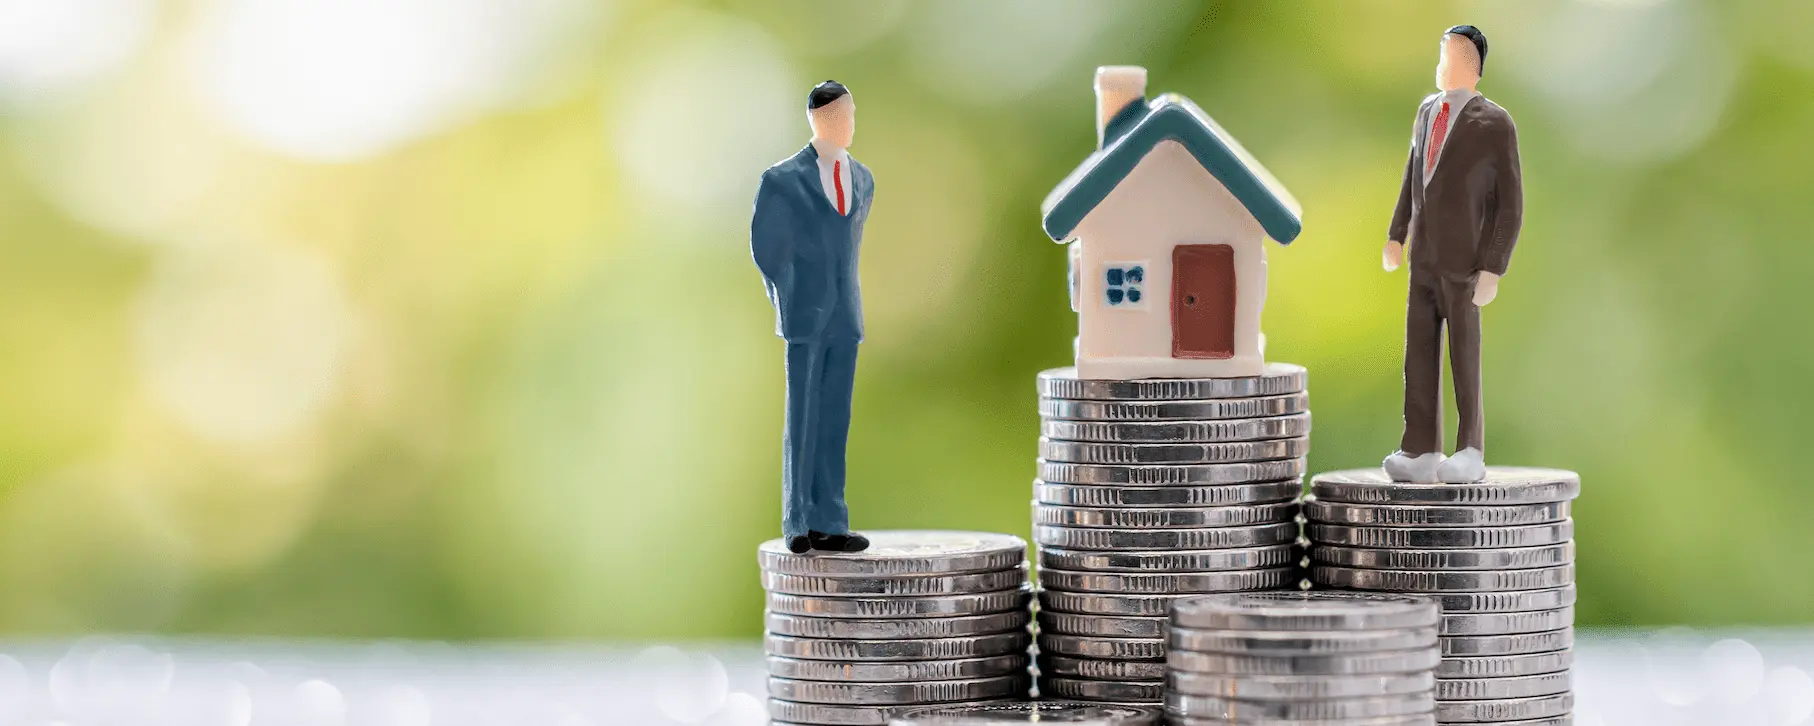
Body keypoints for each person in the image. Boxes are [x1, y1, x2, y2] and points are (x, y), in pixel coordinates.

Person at [1380, 26, 1523, 484]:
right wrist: (1397, 234)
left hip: (1465, 263)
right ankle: (1419, 447)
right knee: (1418, 355)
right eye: (1441, 56)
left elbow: (1510, 204)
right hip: (1422, 258)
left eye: (1450, 57)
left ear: (1472, 66)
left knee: (1464, 356)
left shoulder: (1495, 123)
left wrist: (1493, 267)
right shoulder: (1426, 112)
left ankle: (1469, 448)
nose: (1442, 65)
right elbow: (1412, 177)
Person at [750, 81, 874, 552]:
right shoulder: (782, 180)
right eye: (841, 115)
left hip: (845, 312)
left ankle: (831, 519)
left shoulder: (862, 178)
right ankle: (797, 519)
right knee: (801, 420)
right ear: (819, 119)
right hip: (805, 312)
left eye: (852, 114)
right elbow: (767, 247)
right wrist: (789, 291)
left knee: (834, 421)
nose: (849, 123)